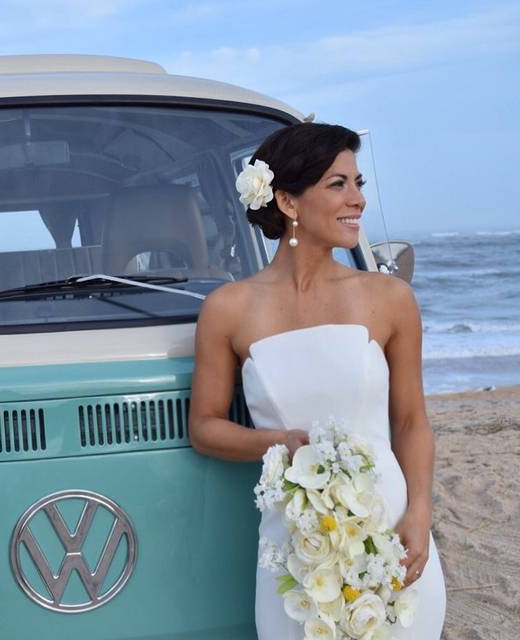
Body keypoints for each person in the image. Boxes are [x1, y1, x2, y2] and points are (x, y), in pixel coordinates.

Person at [188, 123, 445, 638]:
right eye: (338, 185)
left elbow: (412, 421)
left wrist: (419, 514)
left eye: (359, 184)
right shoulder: (228, 310)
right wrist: (277, 442)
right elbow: (205, 427)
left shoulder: (389, 298)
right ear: (286, 200)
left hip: (391, 531)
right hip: (294, 548)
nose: (358, 201)